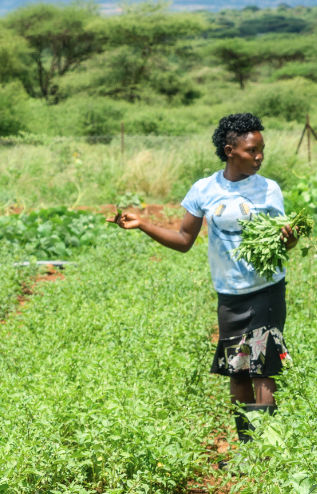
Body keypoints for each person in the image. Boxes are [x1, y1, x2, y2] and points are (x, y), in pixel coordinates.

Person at [114, 113, 297, 443]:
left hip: (266, 290)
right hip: (229, 293)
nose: (259, 157)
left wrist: (290, 238)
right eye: (251, 150)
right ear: (230, 150)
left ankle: (266, 452)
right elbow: (184, 240)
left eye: (261, 150)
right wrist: (142, 224)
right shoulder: (204, 189)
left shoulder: (269, 189)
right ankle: (247, 446)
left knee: (263, 368)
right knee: (238, 370)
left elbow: (281, 242)